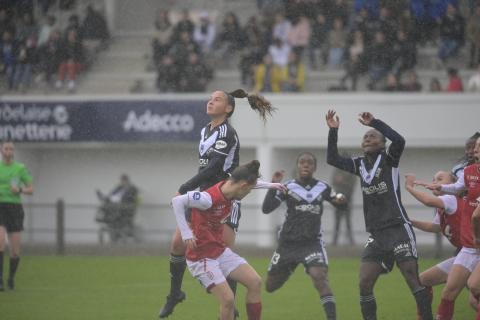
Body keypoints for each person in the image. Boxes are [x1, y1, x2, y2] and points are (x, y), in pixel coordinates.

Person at [159, 89, 275, 318]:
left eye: (217, 99)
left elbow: (214, 168)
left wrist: (184, 188)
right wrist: (193, 190)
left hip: (226, 198)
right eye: (210, 98)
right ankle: (175, 294)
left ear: (229, 108)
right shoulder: (205, 130)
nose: (211, 101)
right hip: (206, 196)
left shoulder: (227, 132)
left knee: (223, 251)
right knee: (177, 244)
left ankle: (231, 310)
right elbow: (205, 169)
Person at [325, 110, 433, 320]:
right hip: (377, 235)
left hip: (398, 229)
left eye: (373, 136)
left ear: (383, 144)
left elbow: (400, 140)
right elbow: (331, 158)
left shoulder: (389, 159)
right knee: (364, 282)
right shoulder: (359, 164)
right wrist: (333, 131)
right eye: (365, 136)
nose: (367, 138)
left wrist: (374, 122)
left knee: (412, 278)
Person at [172, 160, 284, 320]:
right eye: (249, 190)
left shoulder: (232, 187)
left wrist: (272, 185)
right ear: (242, 186)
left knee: (255, 282)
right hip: (201, 258)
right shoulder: (207, 199)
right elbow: (177, 201)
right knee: (228, 299)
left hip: (219, 251)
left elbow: (253, 184)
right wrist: (186, 233)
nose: (248, 193)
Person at [262, 152, 345, 320]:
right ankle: (291, 266)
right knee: (270, 286)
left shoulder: (323, 187)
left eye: (309, 163)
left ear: (314, 167)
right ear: (298, 166)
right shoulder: (287, 186)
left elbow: (341, 205)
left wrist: (342, 201)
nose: (305, 165)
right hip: (288, 244)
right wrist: (273, 185)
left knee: (319, 276)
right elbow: (267, 208)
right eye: (302, 162)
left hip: (311, 243)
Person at [420, 136, 480, 320]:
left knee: (474, 287)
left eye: (478, 147)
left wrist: (477, 234)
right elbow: (457, 187)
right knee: (448, 293)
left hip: (476, 241)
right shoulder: (469, 171)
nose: (475, 149)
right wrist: (440, 187)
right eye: (475, 146)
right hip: (470, 247)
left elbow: (477, 215)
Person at [405, 171, 463, 319]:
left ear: (453, 185)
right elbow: (434, 227)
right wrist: (410, 222)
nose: (435, 182)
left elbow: (428, 201)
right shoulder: (443, 206)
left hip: (472, 255)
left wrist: (410, 188)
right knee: (423, 280)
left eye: (440, 179)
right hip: (464, 255)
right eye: (433, 179)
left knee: (472, 298)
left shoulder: (451, 198)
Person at [0, 141, 33, 291]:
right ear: (1, 150)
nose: (8, 151)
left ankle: (11, 278)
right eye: (6, 148)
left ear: (13, 152)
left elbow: (31, 189)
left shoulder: (20, 168)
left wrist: (19, 189)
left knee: (15, 251)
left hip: (15, 208)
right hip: (1, 206)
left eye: (11, 149)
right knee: (0, 241)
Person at [96, 174, 139, 242]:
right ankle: (104, 216)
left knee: (116, 205)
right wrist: (109, 198)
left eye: (124, 181)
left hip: (126, 207)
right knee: (107, 202)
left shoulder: (133, 189)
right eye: (122, 181)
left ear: (127, 181)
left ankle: (114, 218)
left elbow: (132, 198)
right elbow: (111, 194)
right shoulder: (119, 188)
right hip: (115, 205)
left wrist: (121, 199)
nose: (123, 182)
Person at [331, 165, 356, 246]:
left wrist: (343, 181)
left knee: (348, 222)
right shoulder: (337, 171)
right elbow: (333, 182)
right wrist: (337, 180)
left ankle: (351, 241)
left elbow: (352, 185)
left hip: (347, 200)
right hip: (338, 200)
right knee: (337, 222)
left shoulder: (350, 172)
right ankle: (335, 241)